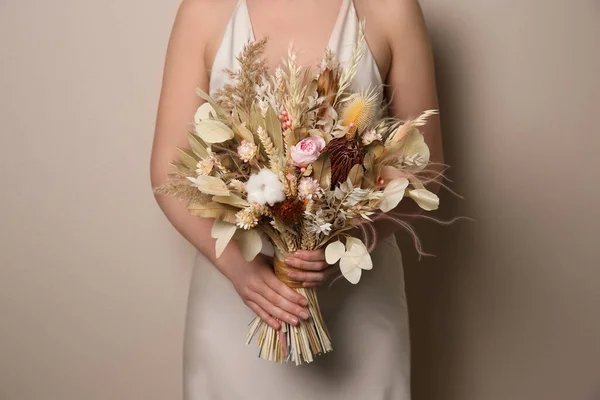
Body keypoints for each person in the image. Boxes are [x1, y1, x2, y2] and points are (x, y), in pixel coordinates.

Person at [150, 0, 442, 398]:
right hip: (236, 296)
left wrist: (338, 245)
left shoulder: (393, 8)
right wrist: (243, 273)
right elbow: (169, 170)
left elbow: (423, 168)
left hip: (358, 300)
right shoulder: (204, 9)